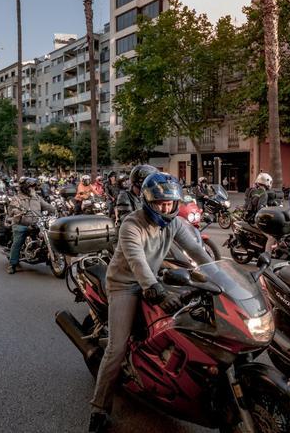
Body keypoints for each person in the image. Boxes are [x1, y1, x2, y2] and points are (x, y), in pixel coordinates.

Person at [88, 172, 213, 432]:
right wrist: (156, 290)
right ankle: (99, 407)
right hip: (125, 284)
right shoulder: (131, 224)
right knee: (117, 347)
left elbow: (197, 252)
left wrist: (220, 273)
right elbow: (137, 262)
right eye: (160, 204)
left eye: (170, 203)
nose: (166, 208)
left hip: (152, 279)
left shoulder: (175, 224)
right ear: (148, 202)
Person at [7, 177, 56, 274]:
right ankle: (12, 264)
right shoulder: (17, 198)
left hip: (37, 223)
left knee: (49, 232)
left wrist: (56, 209)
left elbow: (47, 206)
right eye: (31, 187)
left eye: (34, 187)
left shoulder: (37, 197)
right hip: (21, 223)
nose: (33, 189)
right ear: (25, 187)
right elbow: (12, 209)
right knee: (18, 241)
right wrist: (17, 212)